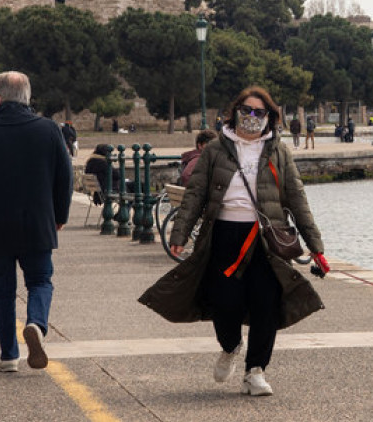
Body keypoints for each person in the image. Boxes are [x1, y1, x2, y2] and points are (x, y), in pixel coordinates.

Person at [140, 86, 328, 397]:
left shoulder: (279, 152)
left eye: (259, 112)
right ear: (235, 112)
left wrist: (315, 244)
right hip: (225, 236)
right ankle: (230, 346)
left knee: (265, 304)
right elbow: (196, 194)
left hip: (265, 240)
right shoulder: (216, 150)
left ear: (269, 117)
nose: (252, 117)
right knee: (223, 302)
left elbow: (297, 199)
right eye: (247, 110)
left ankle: (255, 371)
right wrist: (179, 233)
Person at [0, 71, 72, 373]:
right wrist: (60, 216)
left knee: (3, 292)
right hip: (38, 224)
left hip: (0, 226)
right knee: (40, 281)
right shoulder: (48, 130)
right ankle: (35, 323)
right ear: (28, 98)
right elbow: (65, 178)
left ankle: (8, 354)